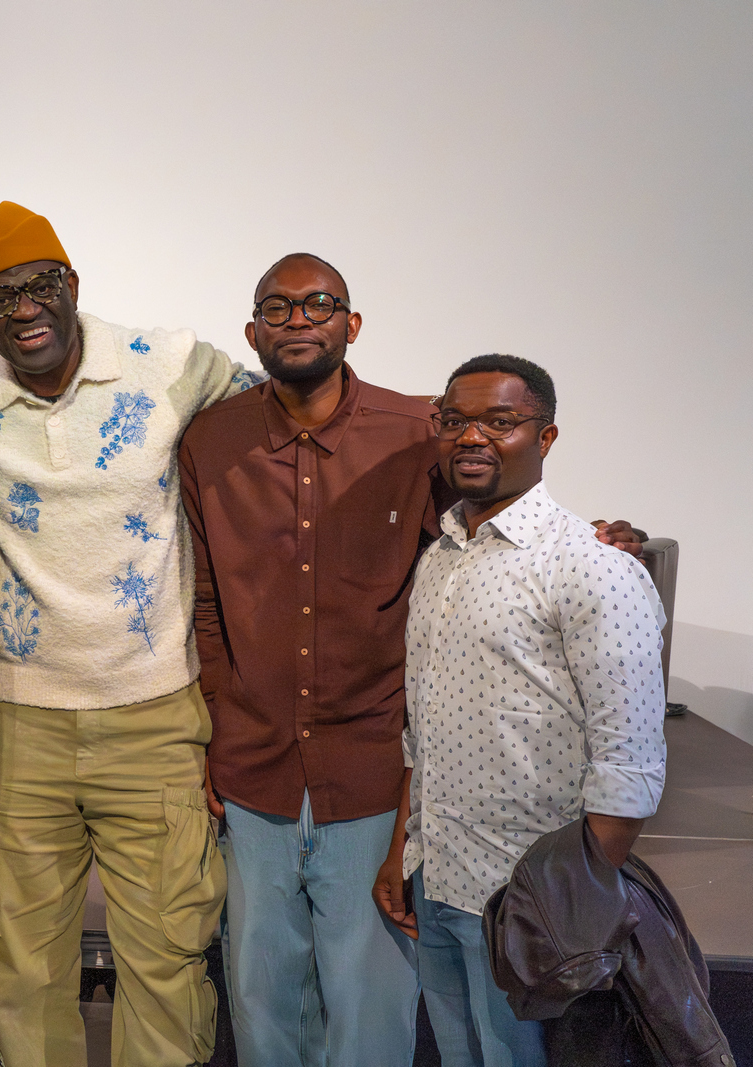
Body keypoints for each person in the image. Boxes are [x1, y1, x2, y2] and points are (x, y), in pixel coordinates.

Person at [178, 255, 645, 1066]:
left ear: (352, 324)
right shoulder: (210, 440)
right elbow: (206, 603)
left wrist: (597, 538)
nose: (299, 320)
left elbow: (492, 517)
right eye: (278, 308)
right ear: (252, 331)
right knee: (259, 991)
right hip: (252, 767)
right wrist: (216, 725)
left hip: (371, 767)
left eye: (319, 304)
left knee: (371, 1001)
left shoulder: (416, 431)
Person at [0, 201, 259, 1067]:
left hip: (154, 715)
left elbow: (290, 414)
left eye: (39, 285)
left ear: (72, 282)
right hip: (20, 725)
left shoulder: (168, 363)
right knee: (19, 965)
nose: (24, 308)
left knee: (169, 958)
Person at [382, 354, 666, 1067]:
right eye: (455, 420)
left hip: (530, 901)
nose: (472, 436)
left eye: (500, 421)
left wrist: (572, 907)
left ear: (545, 436)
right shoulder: (439, 558)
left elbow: (629, 767)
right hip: (438, 876)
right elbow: (421, 732)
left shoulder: (593, 568)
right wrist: (401, 852)